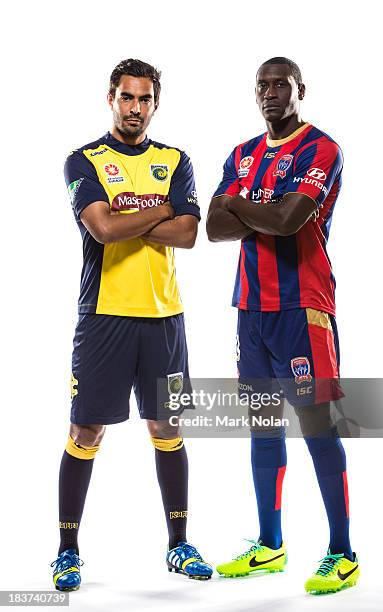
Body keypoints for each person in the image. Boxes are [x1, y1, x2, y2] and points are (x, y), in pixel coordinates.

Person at [51, 58, 213, 591]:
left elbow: (189, 234)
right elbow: (101, 229)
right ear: (111, 98)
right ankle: (67, 550)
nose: (135, 108)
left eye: (144, 99)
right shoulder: (85, 160)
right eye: (127, 97)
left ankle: (179, 544)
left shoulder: (176, 159)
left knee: (167, 428)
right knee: (86, 430)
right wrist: (159, 212)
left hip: (164, 319)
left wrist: (132, 219)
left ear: (155, 103)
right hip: (104, 319)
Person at [206, 57, 359, 595]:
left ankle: (342, 553)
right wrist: (254, 210)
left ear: (300, 89)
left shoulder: (322, 148)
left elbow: (291, 219)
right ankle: (269, 546)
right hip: (250, 308)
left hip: (303, 306)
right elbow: (213, 227)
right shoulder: (243, 154)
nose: (271, 93)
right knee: (263, 424)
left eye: (281, 84)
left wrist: (239, 205)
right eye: (263, 85)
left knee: (317, 423)